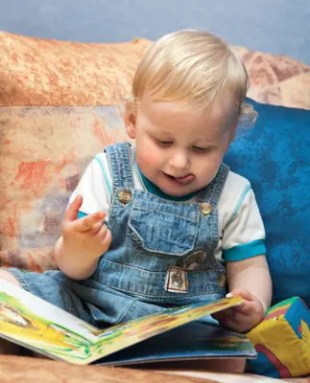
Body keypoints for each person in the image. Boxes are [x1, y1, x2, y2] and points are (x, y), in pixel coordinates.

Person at [0, 29, 272, 339]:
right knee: (6, 290)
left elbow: (250, 266)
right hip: (89, 303)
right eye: (164, 141)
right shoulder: (109, 170)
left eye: (201, 149)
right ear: (132, 119)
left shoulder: (234, 195)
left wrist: (253, 302)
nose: (179, 162)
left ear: (230, 135)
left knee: (230, 351)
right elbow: (73, 269)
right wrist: (78, 247)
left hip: (178, 325)